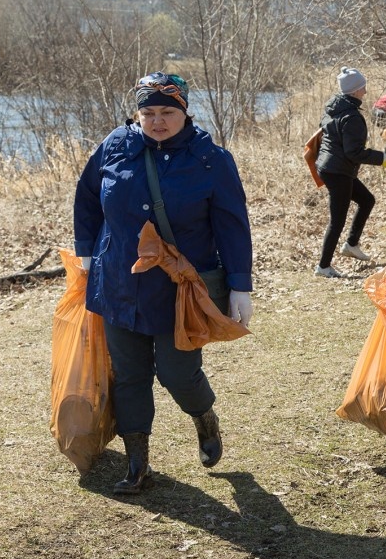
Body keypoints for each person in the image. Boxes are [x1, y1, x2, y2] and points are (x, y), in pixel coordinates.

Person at [73, 71, 254, 494]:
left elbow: (232, 226)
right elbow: (86, 198)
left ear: (185, 111)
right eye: (148, 112)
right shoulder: (114, 146)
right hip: (119, 281)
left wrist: (239, 284)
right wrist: (86, 254)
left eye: (167, 111)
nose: (157, 120)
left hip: (180, 291)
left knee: (178, 374)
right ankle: (138, 464)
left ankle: (204, 418)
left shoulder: (211, 159)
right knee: (130, 374)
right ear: (137, 113)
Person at [314, 67, 386, 278]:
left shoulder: (334, 107)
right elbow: (355, 153)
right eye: (363, 88)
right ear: (354, 91)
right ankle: (323, 267)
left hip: (330, 167)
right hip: (338, 171)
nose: (365, 92)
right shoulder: (351, 117)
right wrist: (385, 160)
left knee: (367, 200)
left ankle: (351, 244)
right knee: (337, 220)